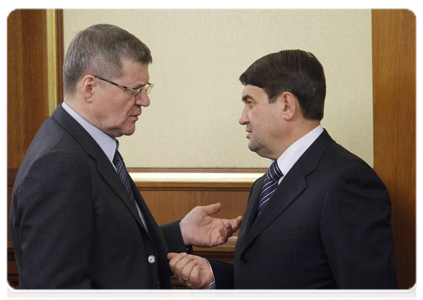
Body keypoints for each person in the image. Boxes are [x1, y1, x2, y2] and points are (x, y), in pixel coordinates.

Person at [9, 24, 242, 300]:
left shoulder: (83, 146)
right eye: (135, 89)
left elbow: (107, 253)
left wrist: (180, 233)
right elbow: (55, 292)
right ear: (89, 87)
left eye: (146, 88)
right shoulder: (60, 164)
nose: (145, 101)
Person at [168, 49, 398, 299]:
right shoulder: (265, 184)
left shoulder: (347, 181)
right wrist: (212, 277)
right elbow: (278, 279)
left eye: (250, 103)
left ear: (287, 105)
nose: (242, 118)